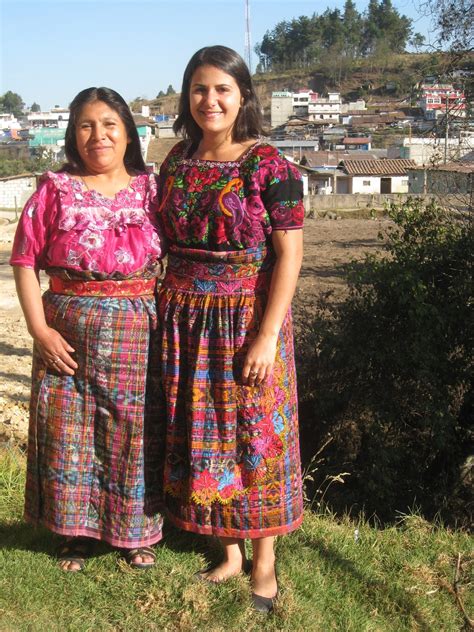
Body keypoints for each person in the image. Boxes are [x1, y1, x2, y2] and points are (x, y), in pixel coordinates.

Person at [157, 46, 304, 613]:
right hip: (185, 322)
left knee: (255, 434)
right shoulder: (177, 159)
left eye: (222, 88)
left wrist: (267, 335)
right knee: (201, 432)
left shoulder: (270, 165)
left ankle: (264, 562)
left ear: (243, 96)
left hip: (246, 320)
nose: (209, 100)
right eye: (199, 88)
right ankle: (230, 552)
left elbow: (289, 256)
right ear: (186, 96)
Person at [10, 87, 164, 572]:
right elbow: (23, 259)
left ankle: (135, 532)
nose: (98, 136)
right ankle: (73, 534)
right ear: (73, 135)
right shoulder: (54, 190)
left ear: (128, 133)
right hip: (67, 332)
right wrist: (39, 330)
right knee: (69, 433)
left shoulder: (151, 190)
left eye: (109, 125)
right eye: (85, 126)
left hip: (139, 331)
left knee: (134, 431)